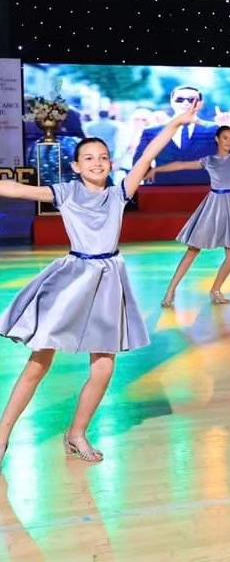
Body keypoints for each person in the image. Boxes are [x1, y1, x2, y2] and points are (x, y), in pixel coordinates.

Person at [0, 104, 200, 466]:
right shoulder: (65, 192)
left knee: (104, 366)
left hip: (108, 281)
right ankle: (2, 436)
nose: (97, 163)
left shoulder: (119, 193)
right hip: (71, 281)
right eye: (88, 158)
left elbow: (149, 155)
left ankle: (76, 434)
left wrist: (175, 122)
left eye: (103, 157)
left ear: (111, 163)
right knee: (38, 363)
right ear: (76, 166)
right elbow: (15, 189)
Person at [148, 101, 230, 307]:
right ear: (217, 139)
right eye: (225, 138)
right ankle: (170, 291)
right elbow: (181, 165)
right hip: (214, 205)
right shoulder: (209, 160)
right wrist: (156, 170)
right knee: (193, 250)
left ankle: (215, 290)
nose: (229, 141)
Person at [132, 86, 219, 185]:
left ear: (201, 103)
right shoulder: (152, 132)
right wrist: (150, 175)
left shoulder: (214, 129)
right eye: (180, 99)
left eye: (192, 99)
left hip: (204, 189)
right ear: (172, 102)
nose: (186, 103)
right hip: (164, 189)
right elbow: (139, 164)